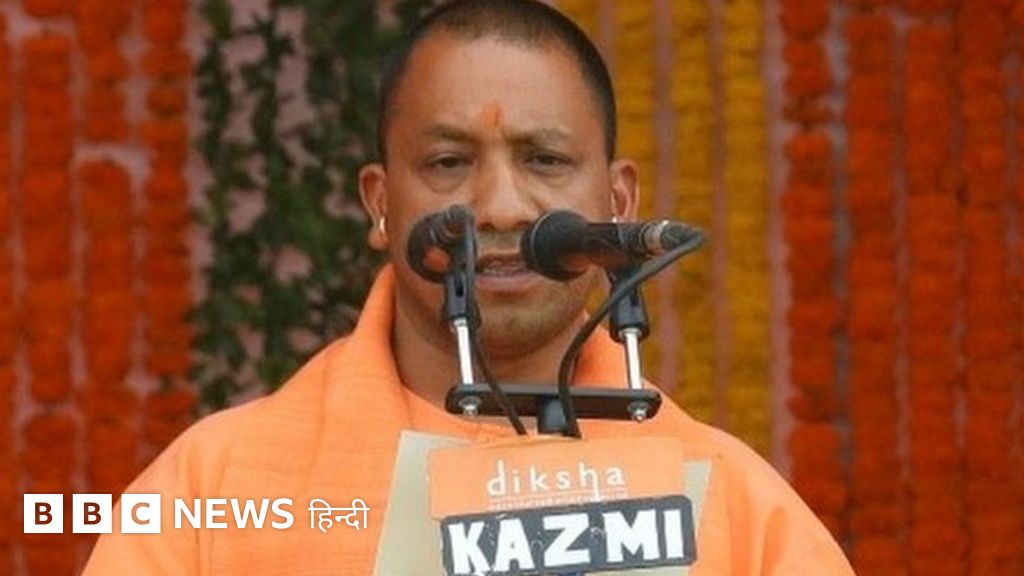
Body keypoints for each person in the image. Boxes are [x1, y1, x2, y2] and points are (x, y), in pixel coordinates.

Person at [84, 1, 854, 574]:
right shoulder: (213, 489)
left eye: (545, 160)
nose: (501, 207)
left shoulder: (736, 509)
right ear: (381, 203)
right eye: (449, 163)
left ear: (618, 204)